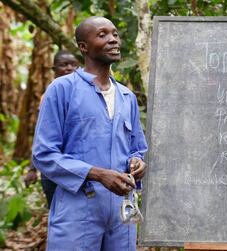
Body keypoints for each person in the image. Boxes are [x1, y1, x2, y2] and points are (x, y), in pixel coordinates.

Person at [32, 16, 148, 250]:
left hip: (121, 211)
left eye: (115, 34)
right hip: (77, 208)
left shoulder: (127, 97)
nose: (113, 40)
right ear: (83, 47)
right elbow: (44, 154)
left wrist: (138, 162)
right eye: (102, 34)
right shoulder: (62, 89)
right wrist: (97, 174)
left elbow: (138, 148)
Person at [25, 50, 79, 208]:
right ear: (54, 69)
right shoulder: (49, 96)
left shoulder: (86, 92)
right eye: (64, 65)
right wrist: (32, 168)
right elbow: (41, 134)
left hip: (78, 165)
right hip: (53, 166)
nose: (69, 68)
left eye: (73, 64)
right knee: (57, 211)